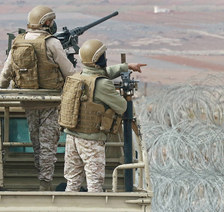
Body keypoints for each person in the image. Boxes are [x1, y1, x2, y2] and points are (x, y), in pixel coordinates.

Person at [0, 5, 76, 191]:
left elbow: (5, 74)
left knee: (36, 143)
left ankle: (42, 178)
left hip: (28, 100)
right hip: (50, 101)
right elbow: (70, 73)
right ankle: (45, 184)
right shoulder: (51, 43)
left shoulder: (18, 42)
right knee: (48, 145)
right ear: (46, 22)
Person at [59, 39, 146, 192]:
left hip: (72, 138)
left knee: (72, 183)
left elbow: (101, 74)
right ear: (98, 59)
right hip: (91, 141)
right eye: (103, 56)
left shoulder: (77, 77)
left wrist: (125, 67)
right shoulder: (103, 84)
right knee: (94, 185)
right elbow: (122, 106)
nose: (105, 59)